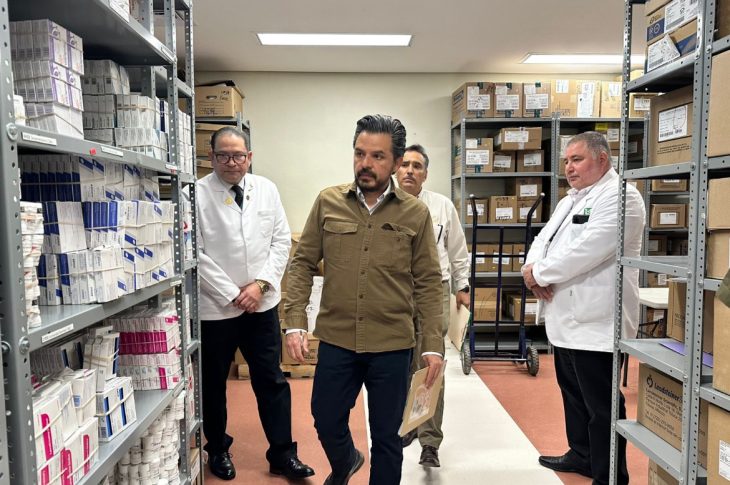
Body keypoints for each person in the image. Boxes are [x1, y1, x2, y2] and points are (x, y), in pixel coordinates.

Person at [283, 115, 445, 485]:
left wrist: (432, 343)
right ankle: (346, 461)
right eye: (359, 153)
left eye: (377, 156)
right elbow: (302, 263)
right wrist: (295, 322)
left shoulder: (415, 213)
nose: (365, 164)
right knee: (325, 418)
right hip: (337, 337)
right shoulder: (328, 202)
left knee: (388, 437)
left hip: (392, 344)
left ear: (396, 161)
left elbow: (428, 282)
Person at [521, 132, 645, 485]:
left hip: (597, 322)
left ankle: (610, 475)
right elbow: (542, 239)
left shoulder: (622, 198)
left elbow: (589, 250)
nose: (569, 168)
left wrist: (539, 273)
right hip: (565, 318)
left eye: (577, 159)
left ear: (602, 159)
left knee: (602, 406)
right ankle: (582, 455)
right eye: (566, 161)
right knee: (573, 394)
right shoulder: (570, 200)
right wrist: (530, 269)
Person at [196, 126, 314, 481]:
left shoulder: (267, 189)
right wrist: (233, 293)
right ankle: (218, 448)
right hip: (216, 308)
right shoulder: (194, 194)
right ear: (211, 157)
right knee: (213, 383)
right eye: (223, 156)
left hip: (261, 306)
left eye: (238, 155)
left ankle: (283, 454)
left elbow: (281, 241)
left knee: (271, 380)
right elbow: (194, 253)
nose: (231, 162)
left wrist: (260, 286)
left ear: (249, 156)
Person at [395, 144, 471, 467]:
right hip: (396, 291)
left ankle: (430, 440)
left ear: (425, 174)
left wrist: (462, 286)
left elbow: (458, 250)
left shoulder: (441, 206)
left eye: (417, 166)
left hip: (434, 289)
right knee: (399, 362)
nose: (410, 171)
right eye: (405, 165)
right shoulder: (385, 205)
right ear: (396, 169)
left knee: (430, 363)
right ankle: (409, 424)